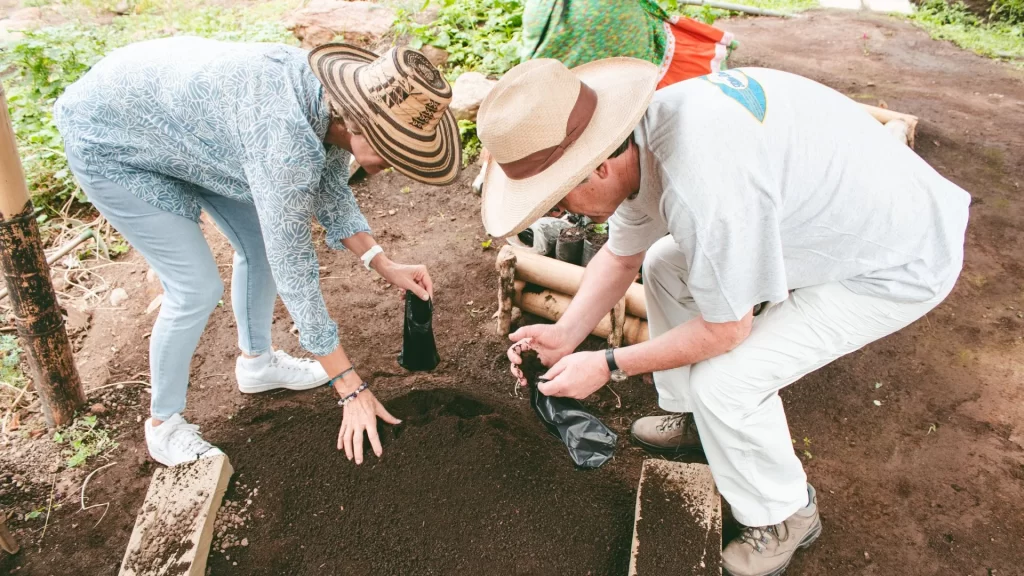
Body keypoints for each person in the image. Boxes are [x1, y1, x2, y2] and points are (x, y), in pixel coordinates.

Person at [478, 59, 969, 574]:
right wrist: (565, 333)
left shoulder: (704, 185)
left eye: (560, 198)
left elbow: (727, 330)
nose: (563, 214)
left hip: (896, 262)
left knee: (726, 382)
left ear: (597, 165)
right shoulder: (639, 141)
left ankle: (784, 514)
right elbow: (623, 257)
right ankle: (700, 422)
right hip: (839, 215)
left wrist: (607, 363)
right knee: (666, 264)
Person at [54, 38, 462, 467]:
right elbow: (295, 269)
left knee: (258, 247)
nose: (397, 160)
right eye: (393, 145)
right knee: (194, 287)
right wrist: (350, 386)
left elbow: (331, 192)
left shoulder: (325, 104)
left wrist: (383, 262)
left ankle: (258, 365)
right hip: (114, 140)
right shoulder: (283, 146)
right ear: (356, 122)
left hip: (197, 133)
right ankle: (164, 425)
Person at [471, 0, 736, 194]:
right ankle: (626, 166)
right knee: (616, 87)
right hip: (595, 12)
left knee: (551, 91)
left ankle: (598, 171)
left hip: (562, 13)